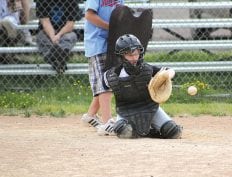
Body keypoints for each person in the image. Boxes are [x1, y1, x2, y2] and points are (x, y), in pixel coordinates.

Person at [103, 34, 182, 139]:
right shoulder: (112, 75)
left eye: (136, 53)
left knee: (172, 131)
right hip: (126, 110)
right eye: (129, 55)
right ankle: (120, 126)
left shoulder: (147, 69)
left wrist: (165, 76)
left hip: (150, 108)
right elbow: (104, 89)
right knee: (123, 131)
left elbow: (170, 70)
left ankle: (152, 129)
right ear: (121, 56)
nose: (134, 58)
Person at [81, 0, 124, 135]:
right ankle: (107, 123)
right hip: (98, 43)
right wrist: (110, 27)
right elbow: (89, 15)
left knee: (105, 82)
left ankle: (90, 116)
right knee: (106, 83)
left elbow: (120, 15)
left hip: (112, 43)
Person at [36, 0, 80, 74]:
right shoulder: (42, 1)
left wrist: (58, 35)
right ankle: (60, 58)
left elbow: (70, 25)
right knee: (42, 38)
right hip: (46, 32)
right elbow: (45, 22)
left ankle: (55, 58)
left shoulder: (72, 1)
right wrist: (53, 37)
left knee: (70, 37)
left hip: (65, 32)